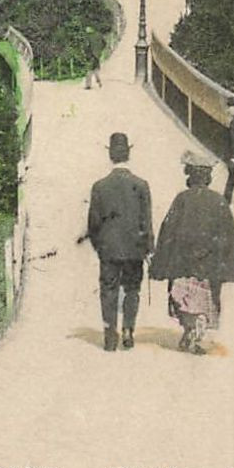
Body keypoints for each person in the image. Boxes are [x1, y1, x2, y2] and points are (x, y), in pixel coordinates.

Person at [151, 152, 234, 354]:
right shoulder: (218, 201)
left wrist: (160, 260)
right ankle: (199, 330)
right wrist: (228, 265)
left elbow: (168, 229)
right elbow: (230, 235)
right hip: (210, 262)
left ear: (190, 176)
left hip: (183, 261)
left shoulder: (182, 199)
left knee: (183, 297)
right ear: (208, 177)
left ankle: (190, 330)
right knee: (207, 297)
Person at [81, 132, 153, 352]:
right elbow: (146, 220)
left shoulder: (100, 186)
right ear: (128, 153)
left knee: (108, 290)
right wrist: (148, 248)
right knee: (132, 289)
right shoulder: (141, 185)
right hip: (134, 248)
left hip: (109, 249)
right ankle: (129, 330)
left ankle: (110, 335)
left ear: (110, 155)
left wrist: (98, 245)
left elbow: (93, 222)